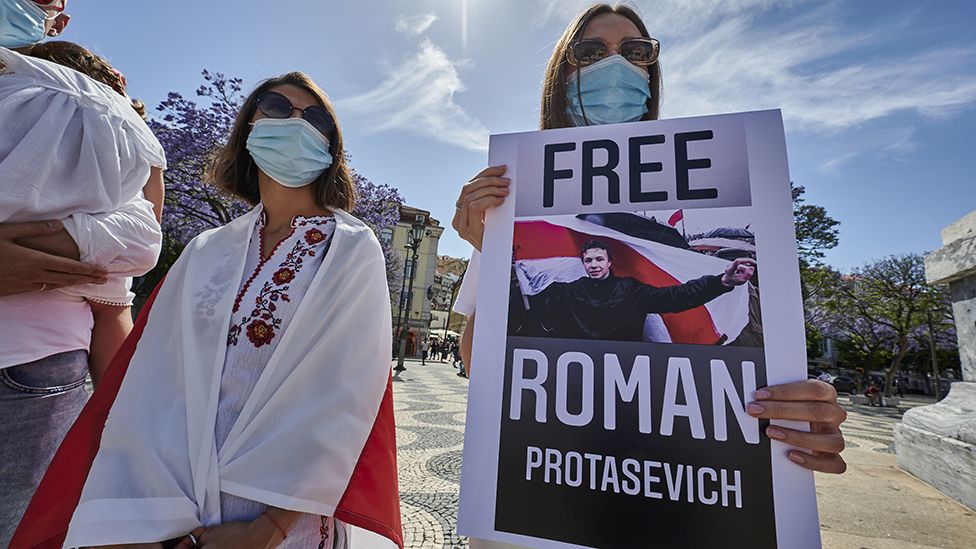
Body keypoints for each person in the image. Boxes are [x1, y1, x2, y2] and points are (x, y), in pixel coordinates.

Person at [451, 3, 847, 481]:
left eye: (635, 52)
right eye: (591, 51)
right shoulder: (516, 199)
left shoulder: (694, 197)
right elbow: (477, 362)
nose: (614, 66)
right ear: (561, 71)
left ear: (651, 73)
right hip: (538, 475)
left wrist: (794, 412)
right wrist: (493, 258)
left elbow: (709, 339)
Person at [13, 72, 402, 549]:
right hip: (174, 509)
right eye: (278, 108)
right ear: (249, 128)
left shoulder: (351, 247)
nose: (297, 123)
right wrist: (150, 517)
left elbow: (346, 396)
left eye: (315, 118)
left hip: (285, 515)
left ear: (330, 145)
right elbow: (153, 385)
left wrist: (268, 528)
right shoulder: (206, 250)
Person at [0, 3, 166, 544]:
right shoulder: (104, 130)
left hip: (38, 365)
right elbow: (133, 252)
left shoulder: (78, 116)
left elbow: (129, 261)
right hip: (39, 361)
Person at [512, 239, 754, 341]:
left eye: (599, 259)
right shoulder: (569, 291)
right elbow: (535, 307)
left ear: (609, 262)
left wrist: (722, 281)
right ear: (583, 264)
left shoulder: (630, 290)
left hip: (627, 370)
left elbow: (676, 297)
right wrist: (515, 274)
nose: (594, 265)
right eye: (589, 261)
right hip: (578, 371)